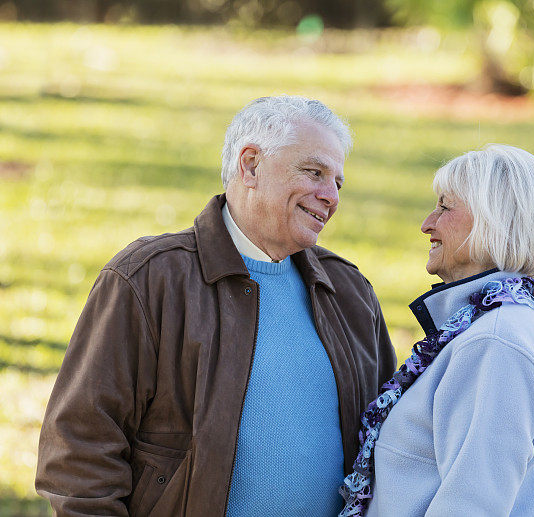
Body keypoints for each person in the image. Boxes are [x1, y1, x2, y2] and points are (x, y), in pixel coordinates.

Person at [36, 96, 397, 516]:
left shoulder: (349, 291)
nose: (330, 196)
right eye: (314, 172)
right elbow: (80, 449)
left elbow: (389, 442)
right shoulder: (150, 278)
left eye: (337, 182)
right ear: (250, 165)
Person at [340, 144, 534, 517]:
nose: (428, 223)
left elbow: (473, 506)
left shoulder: (495, 342)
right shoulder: (488, 328)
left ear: (495, 221)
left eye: (445, 207)